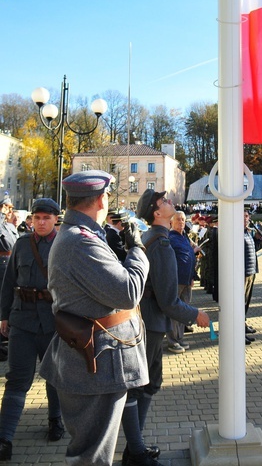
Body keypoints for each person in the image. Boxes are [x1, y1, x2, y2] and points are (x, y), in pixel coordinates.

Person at [39, 170, 150, 466]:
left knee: (92, 451)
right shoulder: (80, 242)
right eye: (108, 196)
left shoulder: (81, 235)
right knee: (92, 456)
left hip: (95, 361)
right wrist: (138, 249)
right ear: (101, 199)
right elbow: (128, 291)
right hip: (96, 365)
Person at [121, 189, 210, 466]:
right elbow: (169, 300)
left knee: (150, 383)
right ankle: (135, 453)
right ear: (156, 212)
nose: (170, 201)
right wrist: (196, 314)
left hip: (148, 323)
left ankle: (136, 448)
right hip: (149, 324)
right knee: (137, 386)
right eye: (164, 201)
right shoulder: (159, 244)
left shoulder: (154, 238)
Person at [0, 198, 65, 461]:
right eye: (36, 218)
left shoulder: (65, 245)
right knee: (17, 379)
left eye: (46, 218)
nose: (40, 222)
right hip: (23, 321)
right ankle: (4, 438)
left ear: (55, 220)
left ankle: (55, 420)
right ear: (31, 220)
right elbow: (8, 282)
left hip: (53, 323)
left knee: (54, 378)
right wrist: (3, 316)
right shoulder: (22, 244)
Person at [166, 210, 200, 352]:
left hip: (186, 280)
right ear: (171, 222)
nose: (181, 222)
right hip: (176, 280)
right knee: (175, 312)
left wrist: (192, 276)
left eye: (183, 220)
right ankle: (172, 341)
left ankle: (179, 338)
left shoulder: (185, 237)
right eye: (178, 219)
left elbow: (190, 258)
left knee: (183, 312)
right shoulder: (170, 237)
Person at [244, 211, 262, 344]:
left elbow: (253, 249)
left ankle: (242, 327)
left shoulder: (247, 232)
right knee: (240, 303)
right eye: (245, 216)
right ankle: (239, 332)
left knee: (245, 303)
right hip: (243, 272)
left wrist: (259, 240)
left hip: (251, 271)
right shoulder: (237, 232)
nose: (248, 219)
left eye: (248, 216)